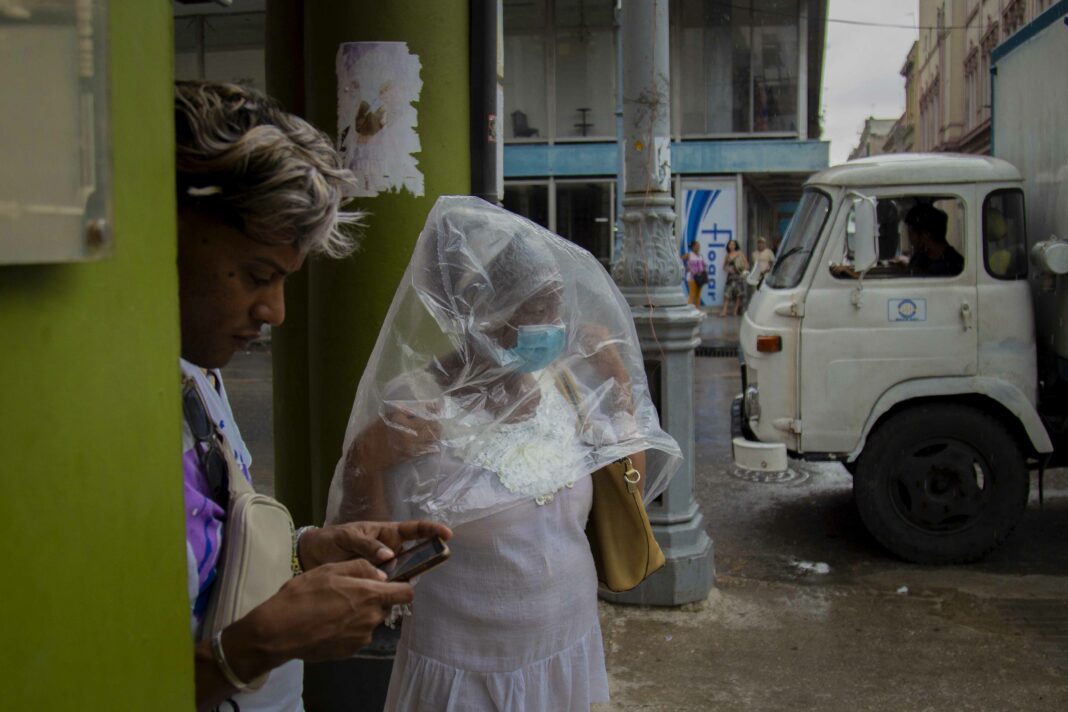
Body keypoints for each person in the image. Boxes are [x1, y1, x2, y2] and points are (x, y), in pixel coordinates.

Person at [325, 197, 683, 711]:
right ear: (481, 313)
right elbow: (377, 560)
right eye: (538, 308)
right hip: (465, 675)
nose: (555, 325)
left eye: (556, 304)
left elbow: (631, 491)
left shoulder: (565, 388)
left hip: (568, 652)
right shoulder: (415, 405)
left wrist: (619, 381)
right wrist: (366, 463)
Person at [175, 81, 451, 712]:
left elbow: (214, 550)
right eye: (256, 275)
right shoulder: (102, 425)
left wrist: (305, 553)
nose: (272, 310)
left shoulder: (198, 379)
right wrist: (256, 647)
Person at [899, 203, 963, 277]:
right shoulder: (919, 257)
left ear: (925, 234)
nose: (910, 238)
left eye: (911, 233)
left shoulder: (953, 265)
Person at [719, 239, 749, 316]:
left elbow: (746, 264)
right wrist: (728, 269)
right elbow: (724, 267)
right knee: (726, 294)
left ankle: (735, 311)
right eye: (730, 244)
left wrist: (744, 272)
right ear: (728, 246)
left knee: (738, 295)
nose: (731, 246)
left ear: (735, 245)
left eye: (733, 244)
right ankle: (724, 311)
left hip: (738, 276)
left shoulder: (740, 253)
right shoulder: (727, 255)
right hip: (730, 277)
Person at [683, 239, 707, 307]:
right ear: (693, 247)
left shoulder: (700, 255)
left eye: (698, 246)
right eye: (696, 246)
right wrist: (686, 268)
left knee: (698, 294)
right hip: (692, 277)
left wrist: (704, 269)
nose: (698, 247)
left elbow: (703, 264)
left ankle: (698, 309)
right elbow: (680, 260)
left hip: (700, 277)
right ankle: (689, 310)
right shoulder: (689, 254)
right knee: (692, 293)